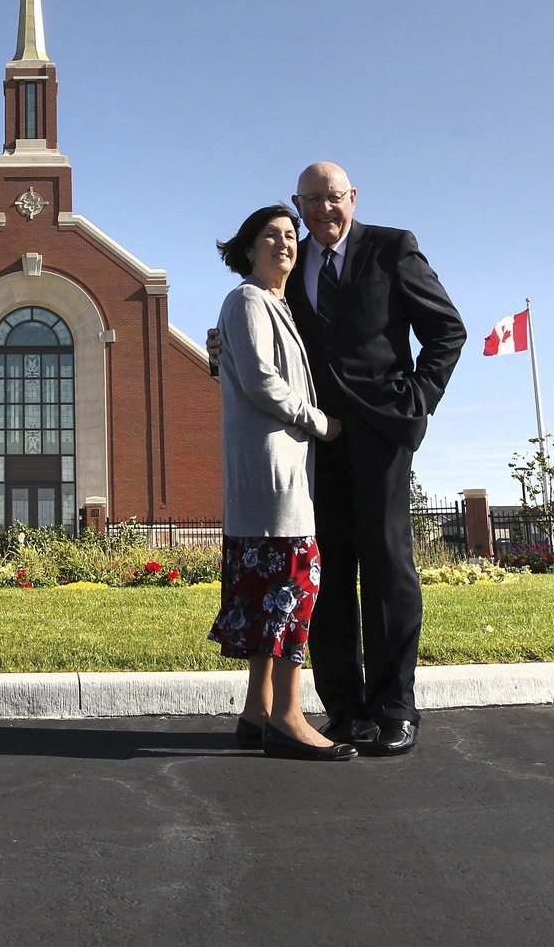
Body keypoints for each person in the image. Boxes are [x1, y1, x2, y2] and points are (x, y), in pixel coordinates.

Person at [209, 163, 464, 757]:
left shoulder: (392, 249)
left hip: (379, 437)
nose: (323, 212)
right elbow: (259, 337)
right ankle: (347, 711)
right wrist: (221, 348)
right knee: (323, 580)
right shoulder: (289, 273)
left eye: (334, 198)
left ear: (353, 199)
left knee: (386, 568)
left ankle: (394, 708)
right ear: (300, 204)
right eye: (311, 202)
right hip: (315, 447)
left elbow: (447, 331)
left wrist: (416, 399)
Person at [210, 205, 349, 761]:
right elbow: (265, 383)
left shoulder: (272, 305)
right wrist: (323, 423)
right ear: (247, 248)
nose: (285, 243)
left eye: (292, 236)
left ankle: (257, 712)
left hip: (277, 475)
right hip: (274, 479)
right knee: (294, 593)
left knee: (268, 599)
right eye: (271, 236)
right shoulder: (247, 299)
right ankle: (290, 718)